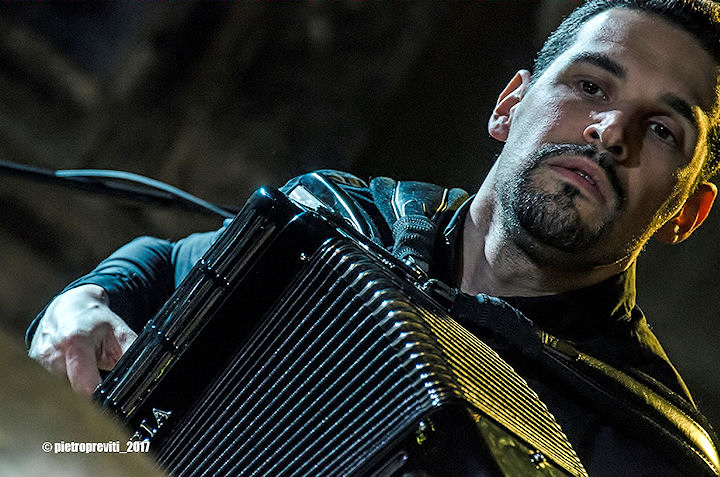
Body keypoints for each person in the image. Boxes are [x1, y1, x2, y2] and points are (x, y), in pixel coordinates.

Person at [26, 0, 720, 474]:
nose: (612, 132)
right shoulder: (346, 218)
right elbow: (169, 266)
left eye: (663, 130)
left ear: (686, 213)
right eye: (591, 86)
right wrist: (81, 304)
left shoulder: (646, 452)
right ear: (509, 106)